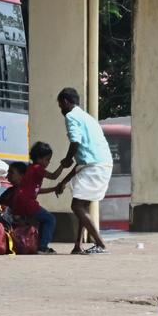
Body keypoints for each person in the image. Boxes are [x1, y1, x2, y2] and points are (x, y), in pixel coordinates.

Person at [53, 87, 112, 255]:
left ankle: (101, 244)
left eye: (60, 106)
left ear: (65, 102)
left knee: (77, 205)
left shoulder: (71, 116)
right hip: (100, 164)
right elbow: (81, 164)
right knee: (83, 205)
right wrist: (63, 182)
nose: (61, 111)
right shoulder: (88, 118)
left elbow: (75, 142)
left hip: (94, 166)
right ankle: (77, 245)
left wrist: (66, 159)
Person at [9, 142, 64, 254]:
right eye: (47, 159)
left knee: (39, 221)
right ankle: (43, 247)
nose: (48, 162)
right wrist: (63, 165)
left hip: (19, 202)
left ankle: (30, 244)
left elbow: (36, 191)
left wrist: (54, 189)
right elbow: (54, 176)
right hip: (28, 203)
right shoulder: (38, 168)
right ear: (39, 158)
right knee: (50, 219)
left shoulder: (30, 169)